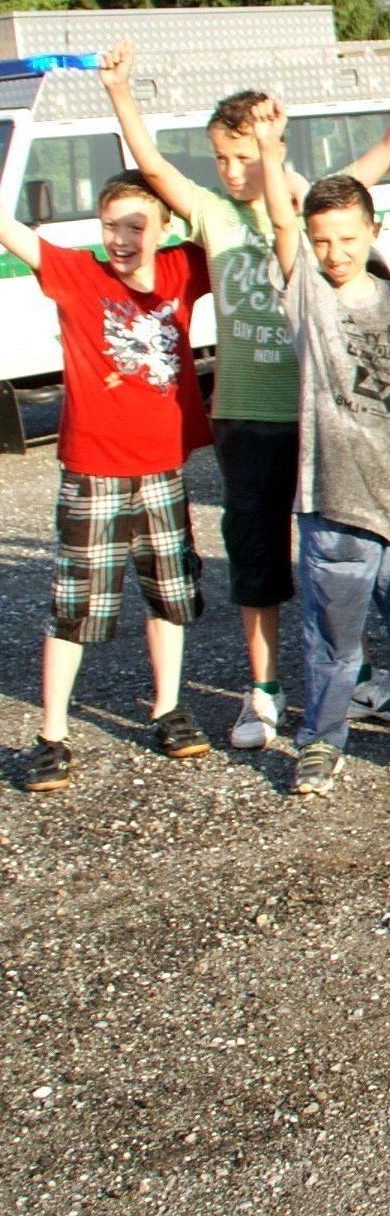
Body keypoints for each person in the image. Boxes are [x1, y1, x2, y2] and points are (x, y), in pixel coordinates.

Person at [99, 45, 390, 749]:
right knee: (255, 557)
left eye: (242, 155)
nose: (230, 170)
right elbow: (154, 167)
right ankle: (264, 689)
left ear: (270, 146)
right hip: (245, 417)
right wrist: (121, 92)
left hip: (318, 415)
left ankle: (360, 677)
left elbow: (388, 147)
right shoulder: (211, 213)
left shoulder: (311, 209)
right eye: (219, 158)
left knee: (335, 552)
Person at [259, 146, 390, 797]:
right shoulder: (309, 303)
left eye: (347, 238)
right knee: (332, 638)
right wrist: (271, 151)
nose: (334, 252)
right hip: (330, 502)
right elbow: (279, 223)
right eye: (321, 240)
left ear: (373, 231)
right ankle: (321, 741)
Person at [7, 171, 212, 790]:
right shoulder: (78, 276)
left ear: (163, 229)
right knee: (76, 604)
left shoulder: (183, 270)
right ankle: (51, 734)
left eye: (135, 226)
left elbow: (230, 221)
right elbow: (11, 232)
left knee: (169, 592)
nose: (120, 239)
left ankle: (168, 707)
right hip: (93, 467)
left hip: (162, 467)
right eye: (109, 226)